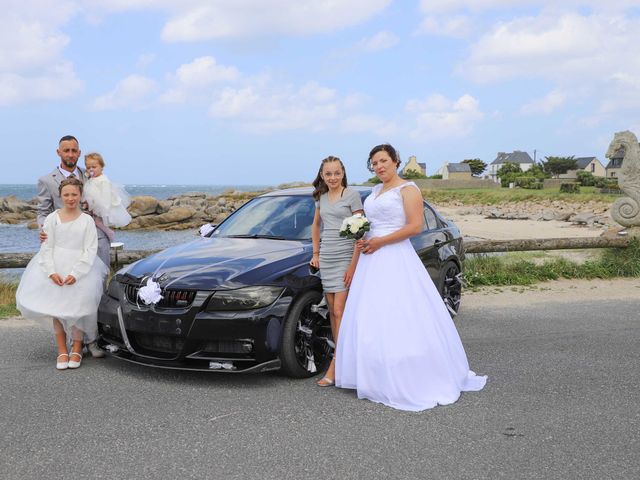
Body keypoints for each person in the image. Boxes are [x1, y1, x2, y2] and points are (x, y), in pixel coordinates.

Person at [335, 144, 487, 411]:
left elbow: (414, 226)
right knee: (371, 313)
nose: (379, 166)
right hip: (371, 257)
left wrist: (381, 242)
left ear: (396, 162)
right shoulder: (374, 192)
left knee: (400, 311)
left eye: (383, 161)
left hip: (394, 255)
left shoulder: (408, 189)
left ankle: (407, 373)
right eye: (374, 163)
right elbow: (369, 227)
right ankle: (373, 373)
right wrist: (361, 244)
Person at [16, 177, 109, 370]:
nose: (70, 198)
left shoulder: (87, 221)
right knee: (57, 311)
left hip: (80, 269)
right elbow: (47, 247)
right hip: (56, 267)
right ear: (60, 195)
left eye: (74, 194)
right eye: (66, 194)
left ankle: (76, 348)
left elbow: (90, 249)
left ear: (80, 195)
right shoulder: (52, 218)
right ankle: (61, 350)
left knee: (76, 309)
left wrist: (77, 272)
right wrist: (50, 272)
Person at [36, 135, 109, 358]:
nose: (70, 154)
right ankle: (73, 341)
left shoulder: (91, 174)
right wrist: (43, 230)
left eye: (74, 150)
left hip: (94, 238)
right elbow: (43, 210)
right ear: (58, 152)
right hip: (66, 244)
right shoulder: (47, 180)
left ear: (79, 152)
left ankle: (94, 339)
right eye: (66, 150)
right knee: (69, 292)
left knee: (95, 290)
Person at [310, 156, 363, 387]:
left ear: (343, 173)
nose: (333, 178)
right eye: (328, 174)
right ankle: (343, 356)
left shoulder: (351, 195)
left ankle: (336, 363)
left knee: (341, 310)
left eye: (337, 173)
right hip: (327, 255)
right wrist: (315, 253)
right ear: (322, 175)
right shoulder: (320, 197)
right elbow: (316, 225)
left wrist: (353, 265)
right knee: (332, 311)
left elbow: (360, 233)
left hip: (345, 255)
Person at [83, 152, 132, 232]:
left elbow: (106, 197)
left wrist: (104, 211)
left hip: (102, 207)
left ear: (101, 167)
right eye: (88, 168)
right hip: (93, 206)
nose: (91, 169)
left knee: (100, 223)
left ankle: (109, 234)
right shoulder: (92, 179)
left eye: (94, 167)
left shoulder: (103, 180)